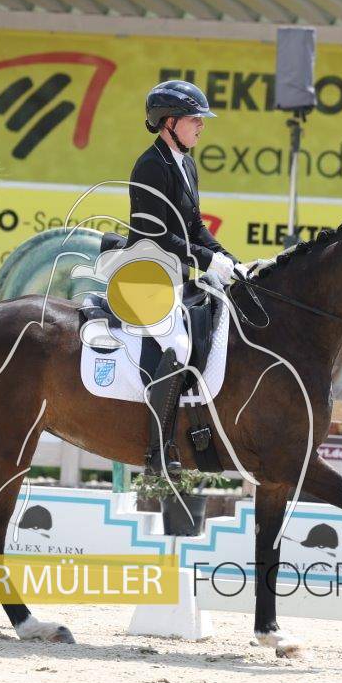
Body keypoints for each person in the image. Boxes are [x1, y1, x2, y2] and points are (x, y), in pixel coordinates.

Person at [128, 80, 242, 478]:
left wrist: (228, 259)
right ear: (169, 122)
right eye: (195, 120)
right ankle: (157, 449)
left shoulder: (187, 164)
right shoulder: (150, 165)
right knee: (177, 343)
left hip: (175, 276)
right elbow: (155, 234)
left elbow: (195, 227)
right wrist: (207, 260)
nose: (201, 126)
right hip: (144, 276)